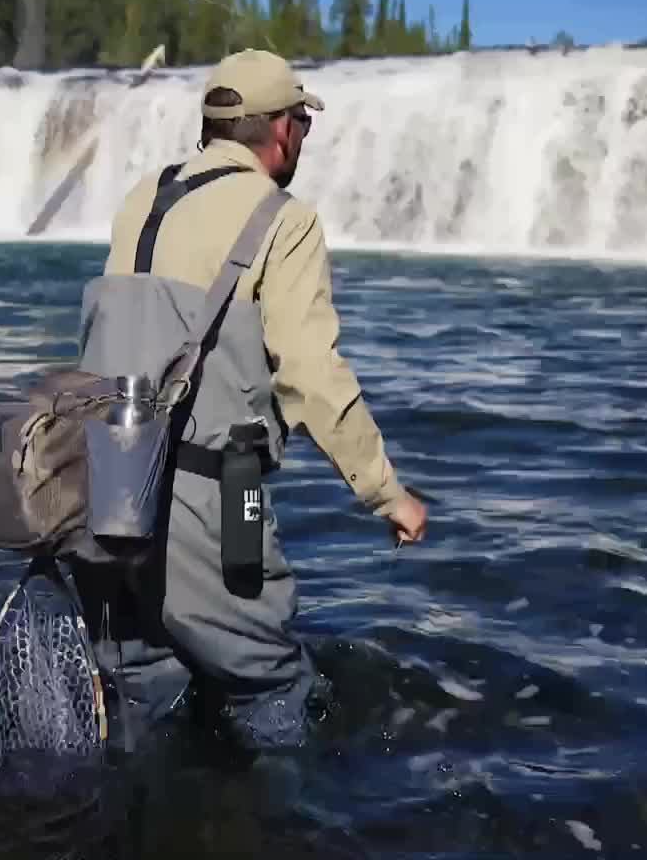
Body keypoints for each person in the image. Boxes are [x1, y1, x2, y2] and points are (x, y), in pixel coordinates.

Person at [69, 48, 428, 757]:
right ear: (281, 131)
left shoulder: (140, 199)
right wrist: (387, 494)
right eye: (302, 120)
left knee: (142, 689)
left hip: (106, 482)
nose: (302, 136)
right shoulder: (283, 219)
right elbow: (312, 376)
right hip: (228, 493)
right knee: (270, 686)